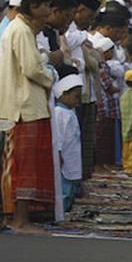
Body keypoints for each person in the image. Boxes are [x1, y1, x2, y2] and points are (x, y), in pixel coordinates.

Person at [0, 0, 56, 234]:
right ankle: (19, 220)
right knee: (24, 166)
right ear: (34, 6)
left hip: (27, 105)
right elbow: (32, 68)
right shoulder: (20, 30)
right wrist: (51, 77)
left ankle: (21, 217)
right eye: (47, 6)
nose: (50, 11)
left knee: (26, 164)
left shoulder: (24, 28)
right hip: (24, 106)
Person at [52, 74, 83, 213]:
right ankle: (61, 211)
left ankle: (67, 208)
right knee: (63, 187)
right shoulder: (59, 112)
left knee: (71, 185)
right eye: (76, 96)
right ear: (64, 94)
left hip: (72, 154)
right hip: (64, 156)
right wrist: (58, 152)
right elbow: (57, 135)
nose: (78, 101)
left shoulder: (69, 112)